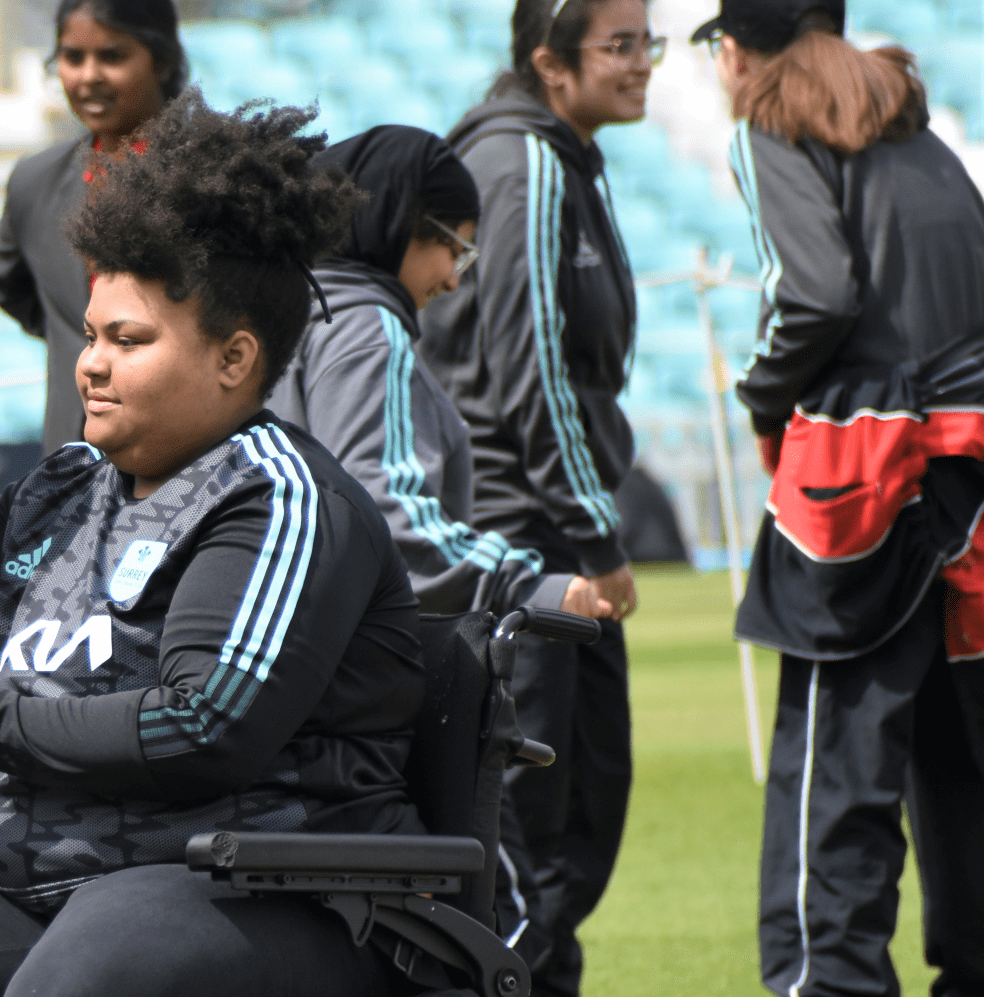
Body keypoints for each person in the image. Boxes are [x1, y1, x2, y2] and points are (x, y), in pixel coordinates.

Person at [0, 91, 422, 997]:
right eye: (89, 335)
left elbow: (206, 726)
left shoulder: (278, 497)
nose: (91, 363)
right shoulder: (66, 486)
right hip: (52, 880)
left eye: (129, 338)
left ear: (234, 358)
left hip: (264, 884)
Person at [695, 0, 984, 992]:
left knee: (836, 758)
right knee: (960, 751)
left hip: (867, 473)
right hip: (973, 469)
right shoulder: (922, 132)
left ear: (733, 50)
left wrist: (762, 392)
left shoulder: (769, 121)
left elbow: (815, 294)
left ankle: (831, 979)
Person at [416, 1, 661, 992]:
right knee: (539, 812)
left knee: (577, 802)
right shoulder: (527, 167)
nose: (645, 63)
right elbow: (534, 372)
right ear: (549, 61)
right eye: (622, 44)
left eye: (652, 41)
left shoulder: (554, 157)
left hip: (536, 523)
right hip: (527, 533)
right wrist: (596, 534)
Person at [268, 124, 618, 623]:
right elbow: (383, 515)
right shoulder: (366, 328)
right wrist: (523, 584)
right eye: (455, 249)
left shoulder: (284, 311)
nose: (455, 279)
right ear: (401, 223)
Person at [0, 0, 186, 454]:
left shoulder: (211, 174)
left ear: (163, 60)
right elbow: (5, 285)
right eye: (73, 57)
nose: (88, 75)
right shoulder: (34, 181)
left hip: (187, 452)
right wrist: (85, 339)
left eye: (112, 56)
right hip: (72, 458)